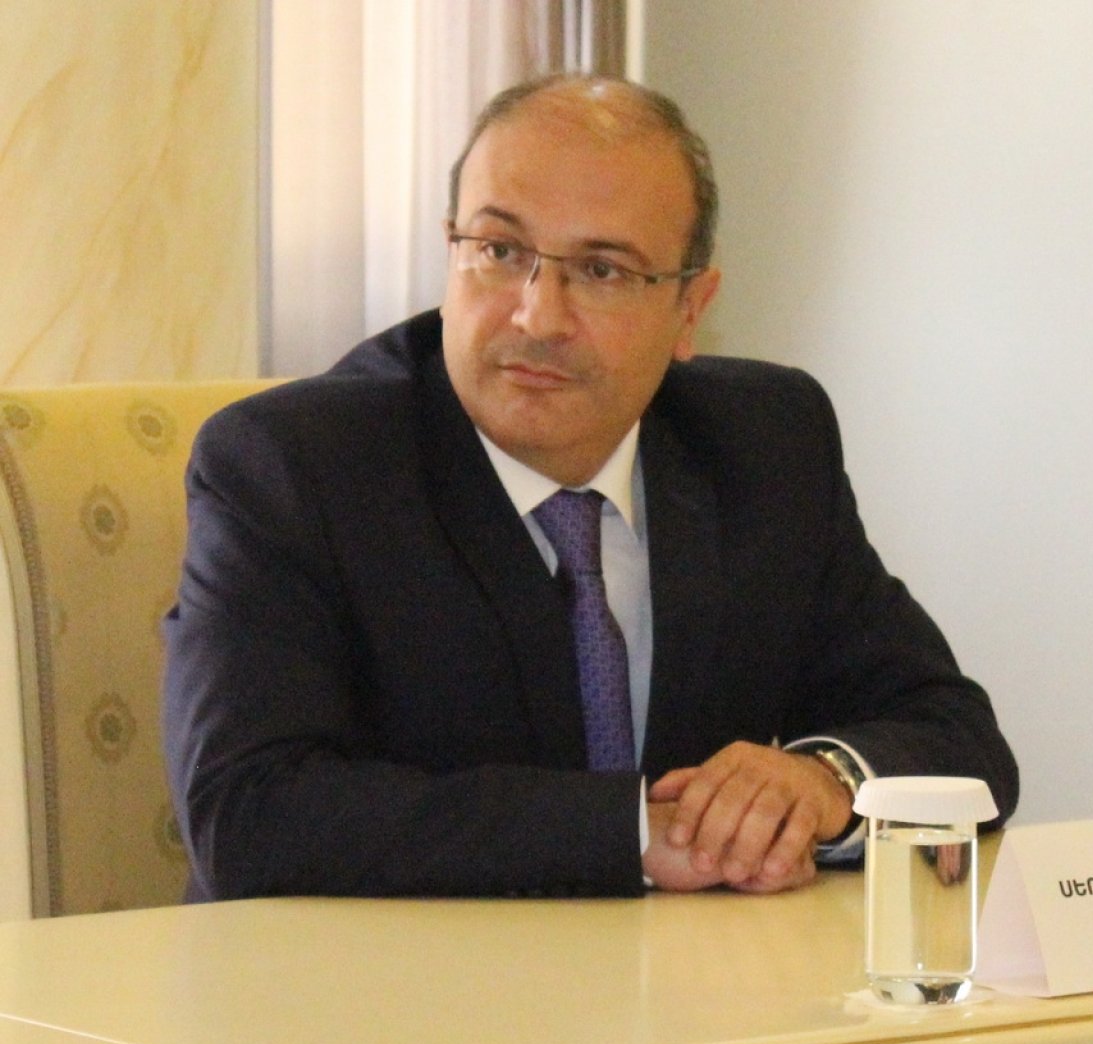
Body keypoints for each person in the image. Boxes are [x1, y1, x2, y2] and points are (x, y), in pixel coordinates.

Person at [164, 73, 1017, 901]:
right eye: (500, 252)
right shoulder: (293, 466)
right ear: (450, 250)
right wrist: (633, 834)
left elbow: (956, 737)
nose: (537, 317)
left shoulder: (765, 444)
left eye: (603, 270)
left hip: (688, 986)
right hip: (370, 989)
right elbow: (247, 812)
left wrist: (823, 783)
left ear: (691, 310)